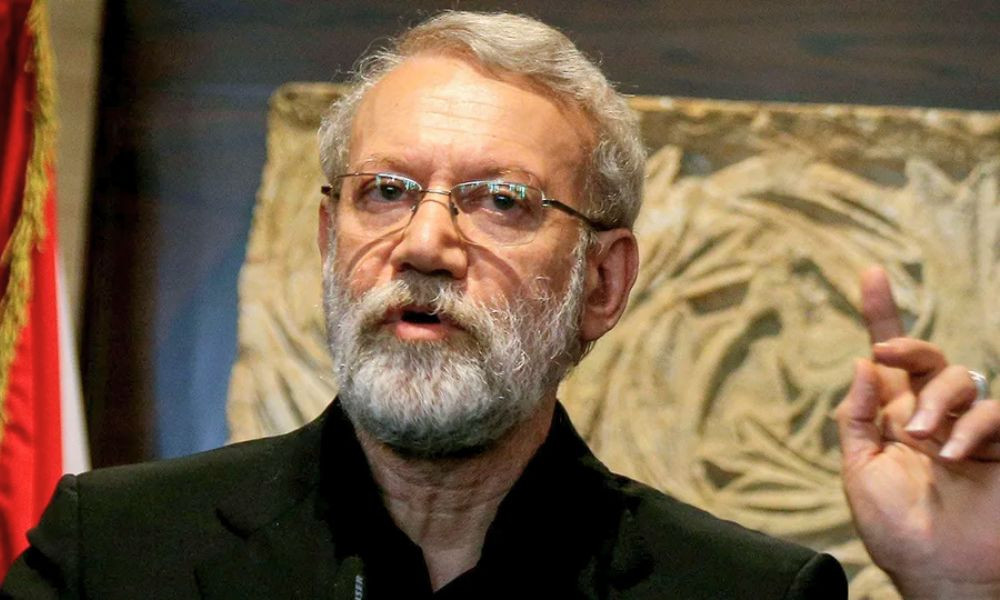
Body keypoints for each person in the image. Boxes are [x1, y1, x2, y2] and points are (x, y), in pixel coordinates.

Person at [3, 10, 999, 599]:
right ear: (326, 239)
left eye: (503, 202)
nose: (425, 245)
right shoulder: (114, 552)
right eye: (385, 191)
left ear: (601, 283)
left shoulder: (746, 594)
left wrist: (959, 591)